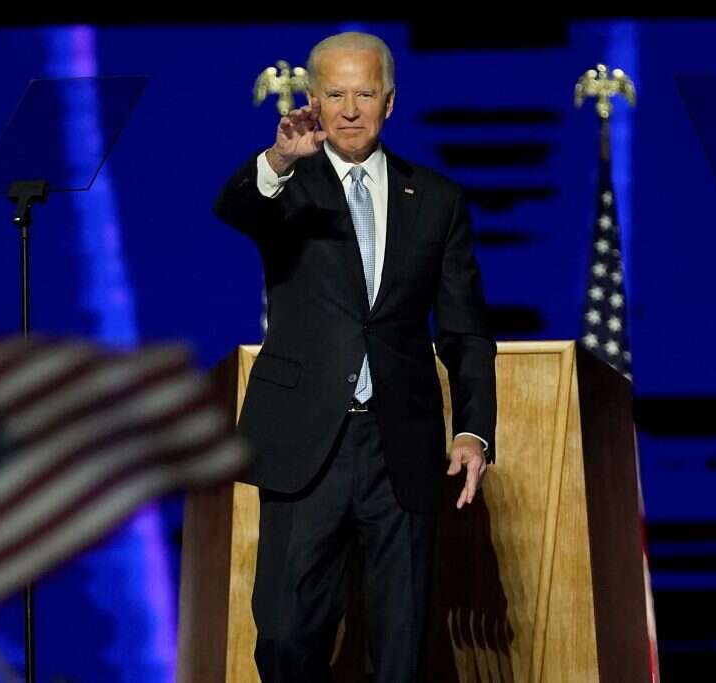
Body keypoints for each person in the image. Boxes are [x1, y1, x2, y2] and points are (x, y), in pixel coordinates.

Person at [214, 31, 497, 682]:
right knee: (286, 636)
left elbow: (466, 329)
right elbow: (237, 207)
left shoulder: (437, 200)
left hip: (399, 443)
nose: (349, 109)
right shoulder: (287, 186)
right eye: (335, 93)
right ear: (313, 99)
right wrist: (280, 160)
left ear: (390, 102)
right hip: (306, 441)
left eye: (364, 93)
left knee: (400, 648)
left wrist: (475, 427)